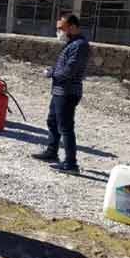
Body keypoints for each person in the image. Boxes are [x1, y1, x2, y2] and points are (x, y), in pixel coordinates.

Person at [31, 14, 90, 174]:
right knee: (52, 121)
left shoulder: (80, 45)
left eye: (61, 28)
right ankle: (52, 151)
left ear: (72, 27)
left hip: (68, 92)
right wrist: (53, 70)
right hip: (59, 91)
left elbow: (70, 70)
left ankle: (71, 164)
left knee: (65, 127)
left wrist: (52, 73)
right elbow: (62, 66)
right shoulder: (71, 44)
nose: (58, 32)